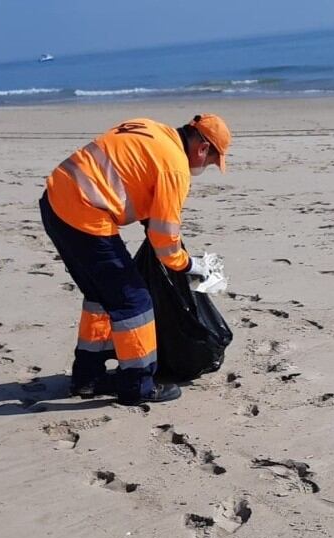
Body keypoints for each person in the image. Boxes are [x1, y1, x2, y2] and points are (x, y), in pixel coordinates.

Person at [38, 114, 231, 406]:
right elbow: (166, 242)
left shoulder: (149, 127)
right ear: (203, 149)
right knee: (134, 301)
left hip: (55, 203)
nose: (206, 167)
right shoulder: (175, 167)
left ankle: (87, 377)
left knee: (100, 295)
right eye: (212, 162)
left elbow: (131, 176)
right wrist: (191, 266)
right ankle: (138, 385)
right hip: (85, 217)